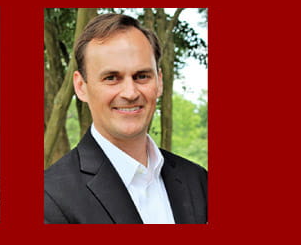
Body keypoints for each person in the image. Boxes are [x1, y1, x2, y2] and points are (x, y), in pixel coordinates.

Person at [43, 13, 207, 224]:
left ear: (159, 82)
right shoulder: (50, 198)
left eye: (141, 76)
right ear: (81, 87)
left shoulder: (198, 181)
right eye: (111, 78)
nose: (130, 93)